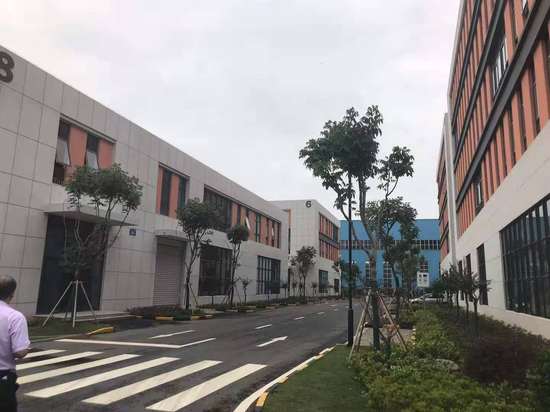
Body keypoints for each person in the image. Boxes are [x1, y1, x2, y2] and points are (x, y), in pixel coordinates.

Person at [0, 275, 30, 412]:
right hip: (3, 377)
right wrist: (26, 347)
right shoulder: (15, 317)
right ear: (12, 294)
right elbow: (19, 352)